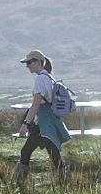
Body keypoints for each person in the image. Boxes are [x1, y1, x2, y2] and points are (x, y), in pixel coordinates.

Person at [14, 49, 72, 186]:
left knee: (28, 151)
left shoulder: (40, 79)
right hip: (49, 121)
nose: (27, 66)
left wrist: (25, 124)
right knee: (53, 153)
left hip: (42, 123)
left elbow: (35, 105)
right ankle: (65, 182)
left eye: (29, 62)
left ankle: (19, 184)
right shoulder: (50, 77)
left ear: (38, 62)